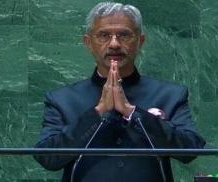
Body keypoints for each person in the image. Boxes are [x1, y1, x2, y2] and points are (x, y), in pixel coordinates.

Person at [34, 2, 206, 182]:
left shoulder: (170, 95)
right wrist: (98, 111)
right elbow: (47, 158)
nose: (114, 44)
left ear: (140, 41)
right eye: (104, 35)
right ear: (89, 43)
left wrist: (132, 112)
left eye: (124, 35)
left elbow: (191, 150)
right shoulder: (62, 100)